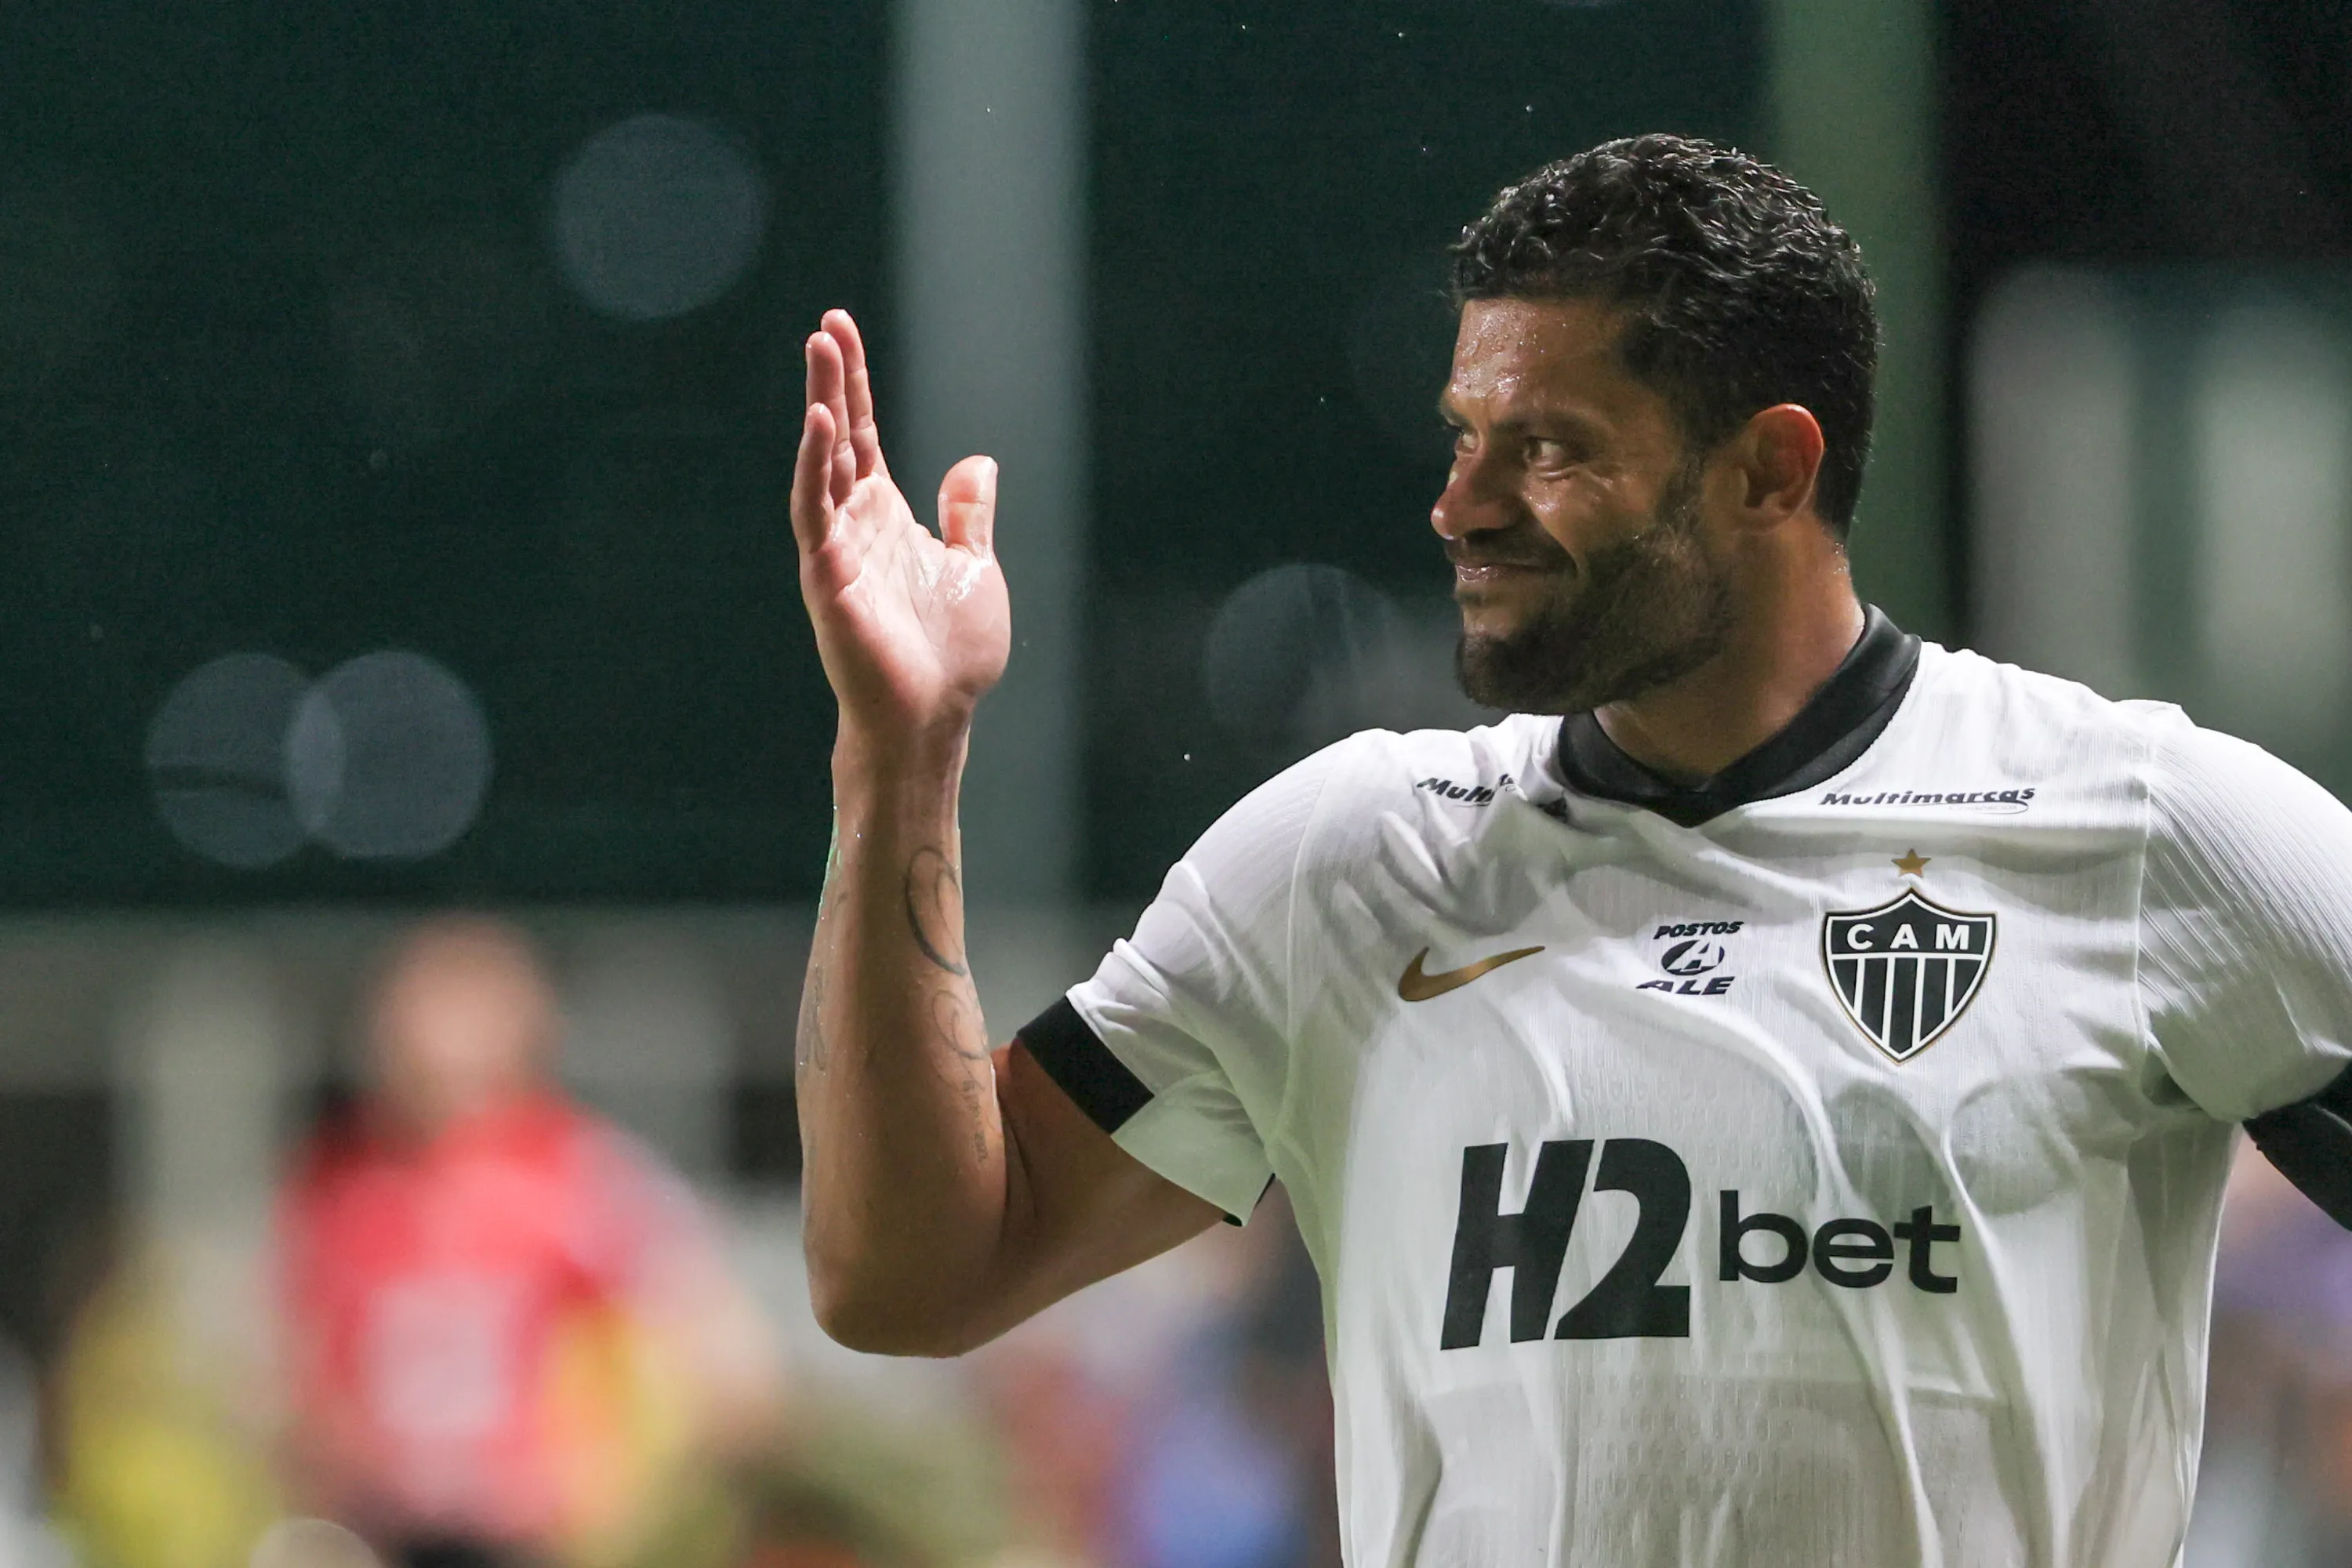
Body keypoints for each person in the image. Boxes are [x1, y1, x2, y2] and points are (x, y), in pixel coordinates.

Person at [786, 133, 2352, 1566]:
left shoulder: (2138, 830)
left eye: (1547, 448)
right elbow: (910, 1274)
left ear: (1772, 470)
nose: (1458, 506)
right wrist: (900, 760)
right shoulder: (1355, 859)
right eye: (1466, 433)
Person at [278, 916, 780, 1568]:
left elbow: (732, 1367)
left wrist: (617, 1482)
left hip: (535, 1539)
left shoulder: (581, 1172)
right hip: (388, 1529)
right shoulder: (341, 1187)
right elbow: (301, 1370)